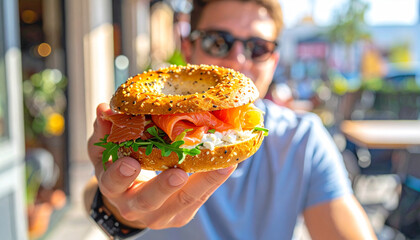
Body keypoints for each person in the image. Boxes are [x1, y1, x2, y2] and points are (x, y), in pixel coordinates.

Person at [84, 0, 377, 239]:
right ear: (188, 49)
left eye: (258, 48)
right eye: (218, 42)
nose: (238, 60)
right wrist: (116, 211)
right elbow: (90, 193)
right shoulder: (149, 145)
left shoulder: (302, 139)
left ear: (273, 62)